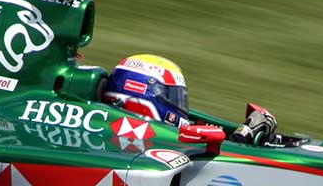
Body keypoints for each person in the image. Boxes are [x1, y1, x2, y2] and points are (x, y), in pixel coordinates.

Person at [101, 54, 278, 145]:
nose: (178, 104)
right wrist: (240, 139)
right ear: (137, 92)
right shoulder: (129, 135)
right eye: (172, 97)